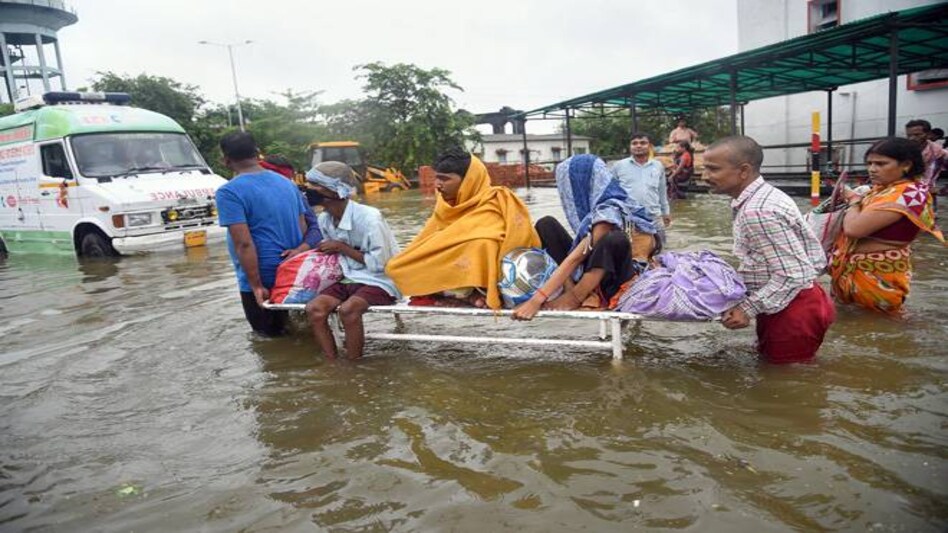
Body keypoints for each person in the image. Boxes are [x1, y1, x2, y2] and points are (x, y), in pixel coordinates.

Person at [704, 136, 835, 364]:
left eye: (713, 169)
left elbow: (794, 274)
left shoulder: (758, 212)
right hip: (795, 300)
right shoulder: (765, 196)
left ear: (743, 171)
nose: (705, 177)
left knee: (787, 385)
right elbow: (809, 261)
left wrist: (746, 309)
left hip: (794, 309)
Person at [385, 148, 540, 309]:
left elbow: (512, 239)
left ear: (468, 181)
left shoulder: (496, 201)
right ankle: (460, 293)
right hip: (454, 270)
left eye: (445, 179)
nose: (437, 184)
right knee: (396, 267)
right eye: (436, 178)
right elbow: (427, 240)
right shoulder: (445, 205)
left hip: (494, 275)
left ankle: (473, 291)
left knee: (483, 244)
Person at [512, 154, 658, 319]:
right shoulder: (594, 212)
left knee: (613, 239)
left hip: (619, 275)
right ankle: (569, 288)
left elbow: (575, 258)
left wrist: (536, 300)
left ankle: (576, 296)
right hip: (594, 264)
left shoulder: (608, 212)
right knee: (546, 225)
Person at [830, 137, 945, 316]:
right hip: (856, 272)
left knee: (883, 322)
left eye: (881, 163)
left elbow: (854, 229)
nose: (872, 169)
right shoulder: (882, 190)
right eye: (869, 163)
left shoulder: (909, 193)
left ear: (906, 165)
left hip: (877, 274)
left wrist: (853, 200)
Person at [215, 132, 309, 336]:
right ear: (258, 153)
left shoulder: (228, 192)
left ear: (225, 160)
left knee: (268, 340)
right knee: (296, 332)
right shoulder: (288, 184)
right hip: (293, 270)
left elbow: (244, 244)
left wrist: (256, 285)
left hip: (262, 274)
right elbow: (302, 226)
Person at [303, 163, 401, 359]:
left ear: (335, 190)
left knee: (348, 310)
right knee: (314, 309)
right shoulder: (324, 219)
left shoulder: (369, 218)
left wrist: (342, 247)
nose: (309, 190)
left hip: (379, 280)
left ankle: (354, 366)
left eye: (315, 185)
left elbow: (381, 264)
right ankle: (332, 363)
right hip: (348, 276)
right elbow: (333, 254)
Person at [259, 154, 323, 257]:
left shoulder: (296, 195)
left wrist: (300, 249)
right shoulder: (251, 196)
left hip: (292, 256)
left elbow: (316, 227)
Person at [612, 133, 671, 233]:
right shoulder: (619, 166)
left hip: (654, 217)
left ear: (650, 146)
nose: (638, 146)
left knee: (660, 245)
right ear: (630, 147)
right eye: (634, 143)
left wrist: (666, 213)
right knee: (629, 247)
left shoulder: (658, 166)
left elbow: (662, 192)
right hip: (628, 218)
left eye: (643, 143)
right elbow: (612, 193)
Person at [905, 119, 948, 189]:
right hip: (904, 188)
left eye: (917, 135)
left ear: (928, 134)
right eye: (909, 135)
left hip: (928, 190)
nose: (911, 138)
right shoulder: (902, 150)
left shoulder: (937, 151)